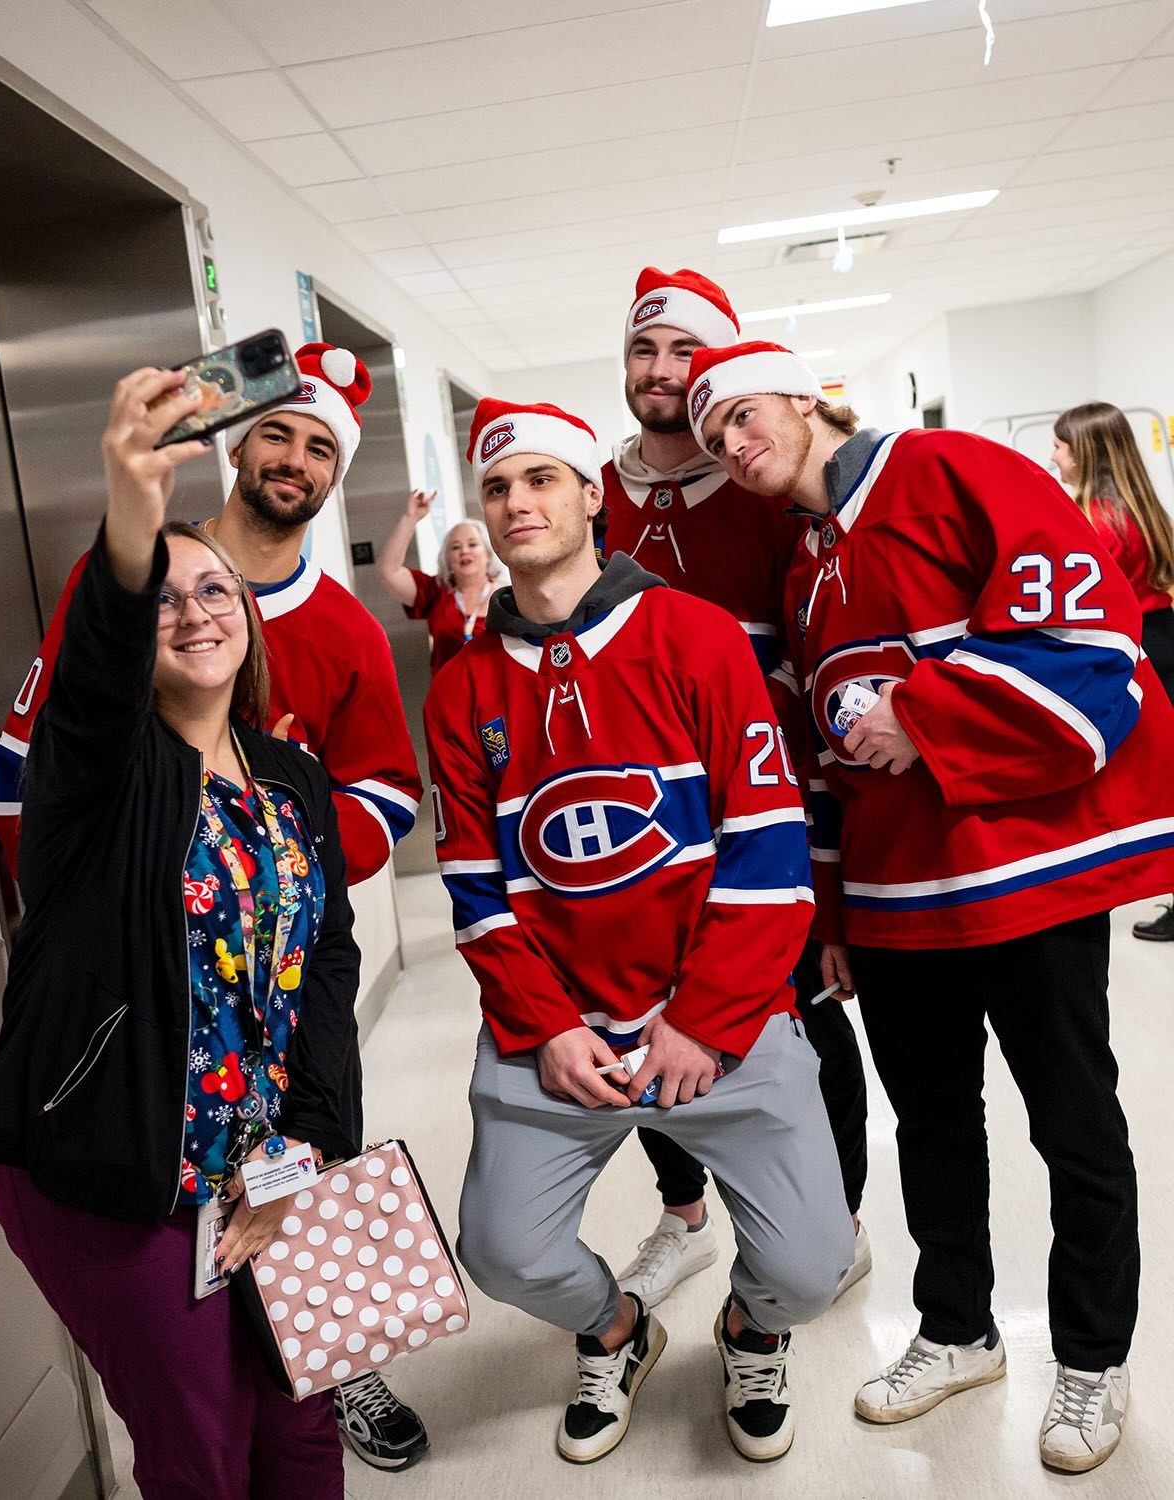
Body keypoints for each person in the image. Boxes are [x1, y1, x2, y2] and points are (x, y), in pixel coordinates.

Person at [688, 339, 1174, 1474]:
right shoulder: (805, 565)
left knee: (1074, 1124)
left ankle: (1092, 1357)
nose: (735, 445)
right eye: (714, 437)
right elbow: (819, 757)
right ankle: (957, 1330)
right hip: (895, 901)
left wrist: (925, 712)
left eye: (746, 416)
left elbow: (1086, 640)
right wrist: (833, 914)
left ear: (803, 398)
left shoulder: (953, 470)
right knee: (933, 1128)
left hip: (1029, 883)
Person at [0, 342, 428, 1472]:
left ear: (251, 619)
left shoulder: (291, 782)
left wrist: (307, 1154)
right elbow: (92, 679)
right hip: (126, 1172)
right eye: (163, 596)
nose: (192, 611)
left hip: (267, 1161)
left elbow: (326, 971)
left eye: (216, 591)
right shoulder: (103, 778)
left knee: (302, 1425)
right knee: (205, 1451)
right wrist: (133, 505)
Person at [425, 397, 853, 1466]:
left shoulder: (695, 637)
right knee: (501, 1251)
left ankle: (751, 1330)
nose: (517, 503)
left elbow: (768, 852)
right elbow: (476, 891)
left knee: (813, 1268)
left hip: (718, 1021)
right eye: (497, 488)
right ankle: (616, 1329)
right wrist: (548, 1028)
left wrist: (702, 1020)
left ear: (590, 496)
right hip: (560, 1033)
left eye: (541, 479)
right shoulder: (462, 687)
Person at [602, 266, 871, 1306]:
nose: (662, 369)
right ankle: (684, 1218)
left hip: (767, 814)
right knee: (638, 1015)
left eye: (685, 350)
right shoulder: (588, 494)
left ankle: (836, 1219)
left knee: (801, 1020)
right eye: (645, 349)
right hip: (639, 829)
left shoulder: (765, 488)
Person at [1053, 401, 1174, 941]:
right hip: (1164, 637)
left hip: (1138, 651)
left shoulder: (1095, 523)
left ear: (1084, 453)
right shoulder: (1139, 507)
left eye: (1059, 446)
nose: (1053, 457)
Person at [374, 487, 503, 674]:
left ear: (488, 554)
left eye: (473, 544)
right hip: (448, 691)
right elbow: (388, 571)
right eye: (455, 547)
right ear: (447, 559)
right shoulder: (435, 591)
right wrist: (410, 519)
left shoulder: (507, 598)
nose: (464, 551)